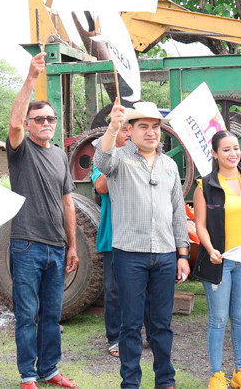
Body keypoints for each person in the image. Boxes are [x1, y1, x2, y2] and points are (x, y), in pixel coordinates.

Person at [93, 99, 190, 389]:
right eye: (143, 126)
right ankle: (131, 383)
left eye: (156, 127)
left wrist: (182, 253)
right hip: (129, 255)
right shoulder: (119, 158)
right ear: (130, 130)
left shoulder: (169, 165)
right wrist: (112, 127)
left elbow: (177, 213)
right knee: (131, 325)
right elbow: (100, 161)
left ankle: (165, 381)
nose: (151, 132)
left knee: (161, 325)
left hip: (164, 256)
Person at [7, 52, 79, 389]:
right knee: (26, 316)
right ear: (30, 123)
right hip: (26, 245)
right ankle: (28, 375)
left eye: (50, 118)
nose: (46, 123)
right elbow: (13, 122)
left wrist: (73, 245)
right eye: (39, 119)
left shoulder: (59, 156)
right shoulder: (21, 150)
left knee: (52, 315)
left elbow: (68, 202)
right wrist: (31, 78)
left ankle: (49, 370)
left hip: (56, 248)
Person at [192, 130, 241, 389]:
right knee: (218, 318)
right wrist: (211, 249)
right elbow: (199, 225)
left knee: (240, 317)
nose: (233, 153)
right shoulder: (206, 185)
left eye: (236, 148)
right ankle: (216, 375)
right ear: (214, 153)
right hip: (220, 261)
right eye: (226, 149)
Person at [92, 124, 131, 358]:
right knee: (114, 290)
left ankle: (138, 334)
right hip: (114, 236)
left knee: (142, 290)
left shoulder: (145, 157)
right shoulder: (102, 159)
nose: (127, 134)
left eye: (130, 129)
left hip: (141, 237)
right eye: (122, 130)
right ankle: (114, 338)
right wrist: (118, 157)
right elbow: (100, 187)